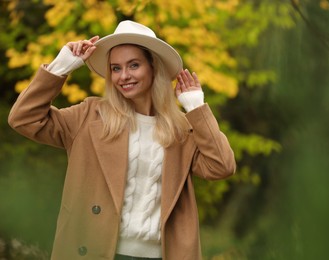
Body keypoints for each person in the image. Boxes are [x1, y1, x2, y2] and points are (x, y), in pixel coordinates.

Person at [8, 20, 236, 260]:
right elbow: (24, 119)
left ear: (153, 68)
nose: (124, 76)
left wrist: (196, 107)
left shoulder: (181, 130)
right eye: (115, 68)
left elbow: (222, 166)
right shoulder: (89, 116)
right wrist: (59, 68)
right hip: (95, 252)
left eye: (133, 65)